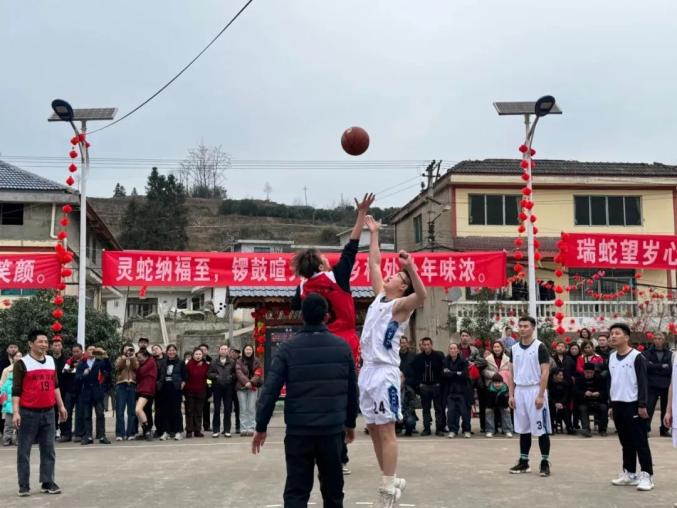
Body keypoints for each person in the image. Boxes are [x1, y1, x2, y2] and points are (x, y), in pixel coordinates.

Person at [252, 294, 359, 508]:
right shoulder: (342, 348)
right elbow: (351, 390)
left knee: (296, 490)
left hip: (299, 431)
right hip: (331, 430)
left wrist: (261, 426)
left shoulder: (287, 348)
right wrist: (350, 424)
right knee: (333, 491)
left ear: (302, 316)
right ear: (327, 316)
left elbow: (270, 390)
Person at [360, 220, 427, 507]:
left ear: (403, 286)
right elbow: (374, 263)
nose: (389, 275)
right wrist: (374, 233)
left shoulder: (400, 306)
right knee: (373, 428)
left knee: (386, 430)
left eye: (397, 275)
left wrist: (411, 268)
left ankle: (387, 488)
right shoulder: (379, 297)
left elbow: (422, 296)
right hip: (366, 370)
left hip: (384, 372)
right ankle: (390, 477)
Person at [291, 193, 375, 366]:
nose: (328, 259)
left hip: (317, 344)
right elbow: (352, 246)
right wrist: (361, 213)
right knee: (347, 381)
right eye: (324, 258)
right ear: (321, 267)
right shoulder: (336, 277)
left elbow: (294, 305)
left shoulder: (303, 287)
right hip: (345, 342)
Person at [12, 330, 67, 496]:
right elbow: (16, 390)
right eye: (40, 341)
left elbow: (55, 386)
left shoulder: (50, 360)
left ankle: (47, 482)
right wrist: (16, 412)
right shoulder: (22, 364)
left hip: (49, 411)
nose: (44, 344)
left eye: (46, 341)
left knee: (49, 448)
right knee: (24, 449)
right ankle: (24, 485)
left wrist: (61, 406)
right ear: (31, 344)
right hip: (28, 413)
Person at [608, 322, 654, 491]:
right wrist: (611, 404)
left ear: (626, 337)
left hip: (633, 405)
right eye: (611, 333)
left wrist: (642, 405)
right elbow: (612, 382)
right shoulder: (612, 357)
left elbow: (643, 383)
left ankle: (647, 475)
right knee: (625, 442)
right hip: (618, 404)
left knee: (640, 441)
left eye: (617, 333)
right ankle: (630, 473)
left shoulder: (637, 357)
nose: (613, 336)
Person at [508, 316, 552, 477]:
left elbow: (545, 372)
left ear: (533, 328)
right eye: (520, 326)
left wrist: (540, 395)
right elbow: (511, 373)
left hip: (535, 390)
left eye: (526, 326)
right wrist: (511, 395)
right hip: (520, 390)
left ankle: (545, 462)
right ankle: (524, 462)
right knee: (523, 429)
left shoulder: (540, 347)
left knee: (541, 429)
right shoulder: (514, 349)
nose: (522, 329)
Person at [75, 346, 111, 445]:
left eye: (94, 350)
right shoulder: (82, 364)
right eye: (90, 349)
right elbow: (77, 378)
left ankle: (102, 435)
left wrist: (106, 356)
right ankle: (88, 436)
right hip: (86, 392)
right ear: (86, 352)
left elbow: (108, 369)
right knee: (87, 415)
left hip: (97, 391)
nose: (92, 351)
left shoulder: (100, 362)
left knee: (100, 414)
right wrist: (84, 374)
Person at [413, 337, 445, 437]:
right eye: (424, 345)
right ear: (422, 346)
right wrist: (419, 385)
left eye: (428, 344)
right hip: (424, 387)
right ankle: (426, 429)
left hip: (436, 386)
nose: (426, 346)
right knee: (426, 409)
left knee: (438, 409)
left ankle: (439, 429)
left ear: (431, 345)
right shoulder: (418, 358)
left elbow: (443, 370)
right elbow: (416, 372)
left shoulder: (438, 356)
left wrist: (439, 383)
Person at [643, 331, 672, 436]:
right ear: (653, 340)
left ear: (664, 340)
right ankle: (646, 429)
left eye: (660, 338)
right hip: (651, 385)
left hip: (666, 385)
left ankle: (664, 430)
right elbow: (646, 367)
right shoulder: (646, 353)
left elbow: (670, 369)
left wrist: (654, 367)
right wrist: (661, 366)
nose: (657, 340)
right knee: (649, 408)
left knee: (665, 409)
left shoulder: (670, 354)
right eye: (655, 338)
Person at [459, 330, 488, 432]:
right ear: (460, 337)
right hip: (463, 380)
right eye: (463, 335)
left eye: (466, 335)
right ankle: (466, 428)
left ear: (469, 337)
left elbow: (483, 362)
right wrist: (465, 364)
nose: (464, 337)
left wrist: (474, 363)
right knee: (466, 404)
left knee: (482, 402)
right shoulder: (456, 349)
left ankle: (484, 426)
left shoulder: (474, 349)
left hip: (475, 378)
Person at [156, 344, 186, 440]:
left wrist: (181, 386)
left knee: (176, 411)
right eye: (169, 350)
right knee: (165, 411)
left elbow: (184, 376)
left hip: (176, 388)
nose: (171, 352)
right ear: (166, 351)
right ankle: (166, 431)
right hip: (165, 388)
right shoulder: (163, 362)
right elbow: (159, 375)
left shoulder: (180, 362)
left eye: (173, 350)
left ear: (176, 351)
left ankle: (178, 431)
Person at [483, 340, 512, 435]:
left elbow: (511, 371)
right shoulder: (488, 359)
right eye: (494, 347)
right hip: (491, 387)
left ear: (502, 348)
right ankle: (490, 430)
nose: (496, 348)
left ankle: (507, 430)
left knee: (506, 409)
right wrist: (494, 375)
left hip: (504, 387)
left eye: (498, 347)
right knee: (489, 410)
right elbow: (484, 371)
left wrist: (503, 375)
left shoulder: (508, 359)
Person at [443, 343, 471, 439]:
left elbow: (464, 375)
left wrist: (451, 373)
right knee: (451, 412)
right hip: (450, 391)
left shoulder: (463, 361)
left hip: (462, 391)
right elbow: (444, 374)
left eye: (454, 348)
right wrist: (457, 373)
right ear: (449, 350)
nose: (453, 350)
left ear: (458, 350)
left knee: (464, 412)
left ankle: (466, 430)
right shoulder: (445, 361)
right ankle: (453, 430)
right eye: (451, 348)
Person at [208, 344, 236, 438]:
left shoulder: (232, 362)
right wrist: (216, 376)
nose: (224, 351)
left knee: (228, 409)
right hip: (217, 387)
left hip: (228, 388)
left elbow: (235, 373)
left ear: (228, 351)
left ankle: (227, 430)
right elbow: (209, 374)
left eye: (225, 349)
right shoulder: (214, 362)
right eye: (222, 349)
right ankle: (216, 430)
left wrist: (231, 377)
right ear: (219, 351)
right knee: (216, 409)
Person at [575, 362, 608, 437]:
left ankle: (602, 429)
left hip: (597, 401)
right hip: (585, 402)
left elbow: (605, 392)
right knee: (582, 408)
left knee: (603, 407)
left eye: (591, 372)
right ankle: (586, 429)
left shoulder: (599, 378)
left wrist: (599, 393)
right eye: (587, 372)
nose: (589, 374)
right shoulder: (579, 379)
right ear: (584, 372)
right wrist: (584, 393)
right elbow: (575, 392)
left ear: (594, 372)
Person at [236, 344, 263, 437]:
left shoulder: (257, 361)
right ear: (244, 351)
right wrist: (246, 382)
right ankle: (243, 428)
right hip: (241, 387)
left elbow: (258, 373)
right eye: (246, 349)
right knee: (243, 408)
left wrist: (251, 383)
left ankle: (251, 427)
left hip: (253, 387)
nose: (248, 351)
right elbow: (239, 373)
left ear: (252, 351)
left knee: (251, 408)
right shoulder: (239, 361)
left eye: (250, 349)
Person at [58, 344, 83, 442]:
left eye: (77, 351)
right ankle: (66, 434)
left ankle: (79, 434)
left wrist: (75, 370)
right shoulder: (69, 361)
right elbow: (64, 372)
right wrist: (71, 369)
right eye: (74, 352)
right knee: (67, 412)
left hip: (81, 391)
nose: (75, 353)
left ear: (81, 351)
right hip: (69, 391)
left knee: (80, 413)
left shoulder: (85, 361)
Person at [114, 345, 138, 441]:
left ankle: (130, 433)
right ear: (123, 350)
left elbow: (136, 367)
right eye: (126, 348)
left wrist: (132, 358)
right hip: (121, 385)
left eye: (130, 348)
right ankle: (120, 433)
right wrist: (124, 359)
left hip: (132, 385)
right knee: (120, 410)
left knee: (131, 411)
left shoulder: (134, 358)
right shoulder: (119, 358)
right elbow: (117, 367)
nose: (128, 350)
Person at [185, 348, 209, 438]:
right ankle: (189, 430)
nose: (198, 356)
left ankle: (197, 430)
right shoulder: (188, 365)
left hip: (201, 391)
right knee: (190, 411)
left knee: (199, 412)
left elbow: (208, 378)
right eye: (196, 354)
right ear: (193, 355)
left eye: (200, 354)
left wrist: (208, 390)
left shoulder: (206, 365)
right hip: (189, 392)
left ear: (202, 355)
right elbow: (185, 378)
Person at [134, 348, 157, 441]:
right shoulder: (142, 364)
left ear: (146, 356)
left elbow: (141, 372)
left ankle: (148, 431)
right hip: (140, 389)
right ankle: (145, 431)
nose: (139, 359)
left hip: (147, 389)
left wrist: (137, 365)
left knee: (138, 409)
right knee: (141, 411)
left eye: (140, 357)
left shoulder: (151, 361)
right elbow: (137, 376)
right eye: (137, 357)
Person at [397, 336, 418, 436]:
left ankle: (411, 426)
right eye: (401, 343)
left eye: (404, 342)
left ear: (407, 344)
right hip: (397, 382)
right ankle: (398, 426)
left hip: (410, 383)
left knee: (409, 405)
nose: (403, 344)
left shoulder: (413, 356)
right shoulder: (395, 355)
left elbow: (416, 369)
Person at [1, 351, 22, 445]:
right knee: (8, 423)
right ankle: (7, 438)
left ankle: (18, 439)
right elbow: (2, 388)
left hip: (20, 403)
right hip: (9, 405)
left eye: (20, 356)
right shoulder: (7, 371)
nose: (18, 357)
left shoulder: (24, 369)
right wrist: (3, 401)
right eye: (17, 356)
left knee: (20, 422)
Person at [486, 373, 513, 438]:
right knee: (489, 412)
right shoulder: (489, 389)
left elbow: (506, 399)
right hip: (492, 404)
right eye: (495, 383)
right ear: (492, 383)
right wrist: (488, 407)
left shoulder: (505, 388)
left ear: (502, 382)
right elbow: (488, 399)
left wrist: (506, 407)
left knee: (506, 412)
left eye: (499, 383)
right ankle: (490, 430)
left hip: (503, 404)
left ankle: (507, 430)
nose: (497, 384)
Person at [0, 342, 19, 436]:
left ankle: (17, 436)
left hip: (18, 394)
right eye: (11, 347)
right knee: (5, 414)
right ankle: (5, 435)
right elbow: (2, 382)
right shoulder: (2, 362)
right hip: (5, 392)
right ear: (7, 349)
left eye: (15, 347)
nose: (13, 349)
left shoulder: (23, 363)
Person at [548, 368, 574, 435]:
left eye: (562, 375)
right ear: (554, 376)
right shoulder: (549, 384)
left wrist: (561, 403)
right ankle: (550, 428)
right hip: (552, 403)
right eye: (560, 375)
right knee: (551, 409)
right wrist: (555, 403)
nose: (562, 377)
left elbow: (566, 396)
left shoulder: (565, 384)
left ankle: (569, 428)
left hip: (562, 404)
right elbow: (549, 396)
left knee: (564, 409)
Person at [151, 344, 166, 438]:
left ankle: (167, 429)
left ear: (162, 350)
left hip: (166, 387)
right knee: (158, 410)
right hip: (155, 388)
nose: (155, 350)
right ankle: (158, 429)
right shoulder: (151, 360)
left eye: (157, 348)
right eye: (153, 349)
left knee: (166, 410)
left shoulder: (167, 360)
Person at [198, 343, 213, 433]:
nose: (203, 351)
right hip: (197, 386)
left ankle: (206, 425)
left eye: (205, 349)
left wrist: (210, 390)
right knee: (197, 408)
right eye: (201, 349)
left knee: (206, 407)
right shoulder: (195, 359)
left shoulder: (211, 360)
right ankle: (197, 426)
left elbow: (211, 376)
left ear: (207, 351)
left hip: (207, 384)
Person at [229, 348, 241, 434]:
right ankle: (227, 427)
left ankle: (238, 426)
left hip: (237, 387)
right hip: (228, 387)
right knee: (227, 408)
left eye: (235, 353)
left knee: (238, 408)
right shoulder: (228, 361)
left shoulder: (240, 361)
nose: (233, 354)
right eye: (232, 352)